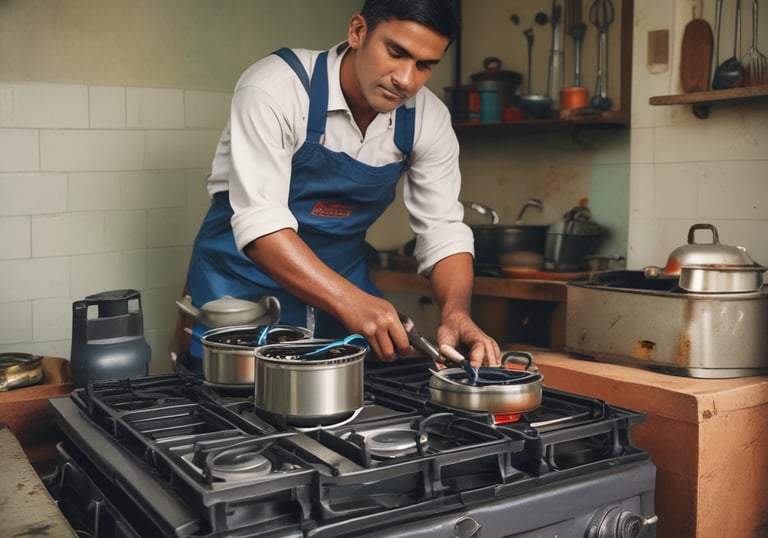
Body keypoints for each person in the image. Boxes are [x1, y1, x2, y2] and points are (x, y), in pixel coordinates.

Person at [175, 0, 501, 369]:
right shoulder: (274, 88)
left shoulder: (429, 118)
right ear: (358, 31)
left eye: (425, 65)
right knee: (237, 407)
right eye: (396, 52)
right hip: (240, 288)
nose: (406, 80)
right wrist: (351, 301)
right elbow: (261, 225)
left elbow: (442, 231)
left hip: (346, 284)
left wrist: (457, 312)